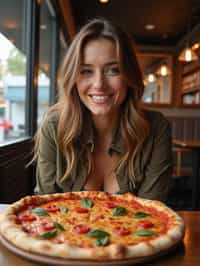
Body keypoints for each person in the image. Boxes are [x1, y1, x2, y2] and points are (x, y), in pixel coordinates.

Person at [34, 18, 173, 202]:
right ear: (73, 78)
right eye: (86, 71)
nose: (99, 84)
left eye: (113, 70)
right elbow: (46, 210)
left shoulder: (156, 128)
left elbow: (153, 213)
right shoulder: (53, 127)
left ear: (129, 76)